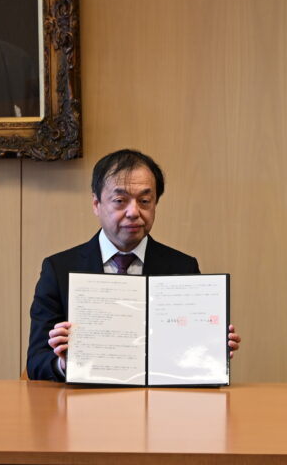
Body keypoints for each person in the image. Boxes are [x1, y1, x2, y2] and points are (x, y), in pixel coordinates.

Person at [27, 148, 241, 381]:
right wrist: (64, 363)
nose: (133, 212)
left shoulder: (182, 267)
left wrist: (210, 350)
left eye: (145, 201)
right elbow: (36, 362)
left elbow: (188, 355)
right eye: (120, 201)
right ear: (96, 204)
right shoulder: (59, 269)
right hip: (84, 399)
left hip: (159, 400)